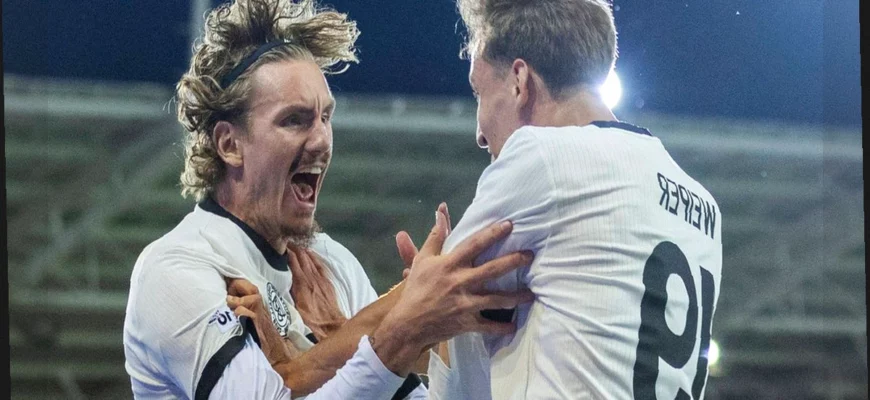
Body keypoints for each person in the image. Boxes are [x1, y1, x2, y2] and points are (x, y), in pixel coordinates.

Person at [121, 0, 533, 398]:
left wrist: (438, 337)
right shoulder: (177, 267)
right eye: (294, 120)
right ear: (230, 144)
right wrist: (402, 326)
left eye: (325, 117)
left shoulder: (333, 264)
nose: (321, 140)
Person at [419, 0, 724, 398]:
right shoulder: (704, 205)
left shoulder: (542, 155)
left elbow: (438, 305)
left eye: (479, 92)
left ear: (519, 81)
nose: (479, 132)